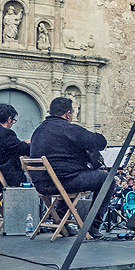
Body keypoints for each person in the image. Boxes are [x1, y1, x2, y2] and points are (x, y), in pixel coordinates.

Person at [29, 96, 109, 238]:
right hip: (64, 182)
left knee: (69, 175)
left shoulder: (38, 131)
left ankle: (60, 220)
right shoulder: (69, 129)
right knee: (107, 179)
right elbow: (100, 142)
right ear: (68, 114)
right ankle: (93, 226)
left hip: (42, 184)